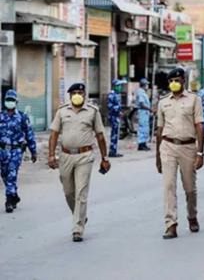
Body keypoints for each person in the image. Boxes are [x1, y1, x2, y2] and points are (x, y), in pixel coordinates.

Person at [48, 83, 111, 242]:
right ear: (69, 96)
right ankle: (80, 216)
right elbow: (54, 134)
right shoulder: (62, 111)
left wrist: (105, 158)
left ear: (84, 95)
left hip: (85, 156)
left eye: (80, 92)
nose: (77, 95)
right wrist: (51, 155)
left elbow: (100, 136)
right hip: (65, 156)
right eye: (74, 92)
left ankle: (77, 228)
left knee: (81, 192)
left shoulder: (92, 111)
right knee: (69, 192)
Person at [156, 68, 204, 239]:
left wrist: (200, 153)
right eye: (170, 81)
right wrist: (157, 157)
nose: (173, 84)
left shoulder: (194, 100)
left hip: (188, 147)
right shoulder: (163, 102)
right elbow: (159, 129)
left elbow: (200, 126)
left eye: (176, 80)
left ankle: (192, 216)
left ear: (183, 80)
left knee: (189, 188)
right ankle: (171, 224)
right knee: (169, 186)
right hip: (168, 146)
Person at [0, 89, 37, 213]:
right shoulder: (1, 116)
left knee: (12, 175)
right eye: (8, 100)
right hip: (2, 151)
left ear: (16, 101)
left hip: (16, 151)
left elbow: (29, 135)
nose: (10, 102)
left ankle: (9, 201)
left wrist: (33, 151)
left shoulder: (22, 117)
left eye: (12, 100)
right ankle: (14, 195)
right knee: (4, 174)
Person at [107, 79, 125, 158]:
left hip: (117, 117)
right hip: (113, 117)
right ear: (115, 86)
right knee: (114, 135)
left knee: (116, 134)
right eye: (119, 86)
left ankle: (114, 150)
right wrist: (118, 110)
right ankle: (112, 151)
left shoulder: (117, 94)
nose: (120, 87)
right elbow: (110, 106)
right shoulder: (111, 94)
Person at [136, 78, 152, 151]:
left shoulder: (143, 92)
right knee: (142, 128)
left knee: (145, 128)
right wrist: (149, 109)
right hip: (142, 112)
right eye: (147, 85)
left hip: (145, 113)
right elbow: (142, 104)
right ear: (144, 85)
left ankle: (144, 144)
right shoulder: (140, 93)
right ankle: (141, 145)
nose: (147, 86)